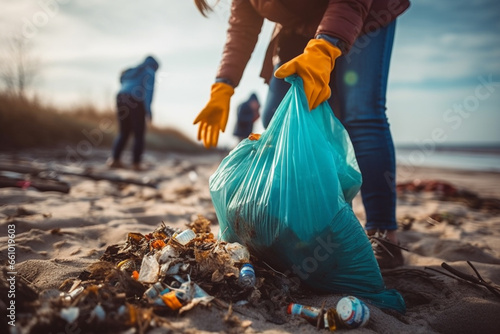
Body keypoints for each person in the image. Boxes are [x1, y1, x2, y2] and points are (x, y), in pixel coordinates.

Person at [193, 1, 410, 269]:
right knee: (276, 120)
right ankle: (294, 230)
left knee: (362, 113)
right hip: (298, 28)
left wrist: (325, 47)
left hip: (365, 14)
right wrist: (223, 86)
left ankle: (382, 233)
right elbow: (242, 29)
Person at [107, 55, 159, 171]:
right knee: (139, 134)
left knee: (123, 131)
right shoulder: (149, 71)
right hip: (136, 99)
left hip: (120, 97)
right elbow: (148, 92)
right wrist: (148, 110)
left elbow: (121, 81)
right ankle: (136, 164)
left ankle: (114, 160)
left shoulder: (132, 70)